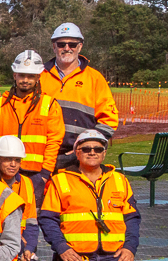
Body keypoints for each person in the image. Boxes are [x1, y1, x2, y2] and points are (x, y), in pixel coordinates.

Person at [40, 130, 139, 261]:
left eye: (98, 149)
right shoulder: (60, 180)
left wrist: (129, 248)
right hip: (76, 254)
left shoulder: (119, 180)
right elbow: (48, 219)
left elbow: (132, 219)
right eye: (86, 149)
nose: (92, 152)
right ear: (77, 153)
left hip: (112, 254)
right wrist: (62, 249)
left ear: (104, 153)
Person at [0, 50, 64, 203]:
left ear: (38, 77)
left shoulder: (49, 105)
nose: (25, 80)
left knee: (30, 219)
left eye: (30, 76)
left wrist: (45, 174)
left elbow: (54, 142)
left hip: (35, 174)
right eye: (21, 75)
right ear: (14, 75)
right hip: (2, 173)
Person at [40, 23, 119, 169]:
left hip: (78, 158)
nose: (67, 48)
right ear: (54, 46)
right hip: (42, 154)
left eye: (72, 44)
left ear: (80, 47)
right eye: (61, 44)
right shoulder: (39, 76)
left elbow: (109, 120)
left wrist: (87, 144)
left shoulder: (95, 78)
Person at [0, 135, 54, 261]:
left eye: (17, 160)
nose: (13, 164)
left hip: (18, 249)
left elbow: (31, 222)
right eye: (7, 159)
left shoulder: (26, 183)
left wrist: (28, 248)